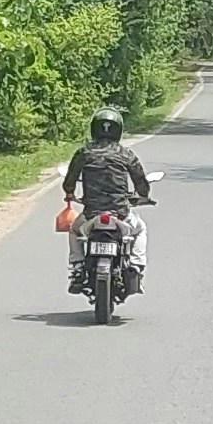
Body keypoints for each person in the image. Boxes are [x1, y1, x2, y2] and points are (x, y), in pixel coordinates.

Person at [60, 104, 154, 294]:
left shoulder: (84, 152)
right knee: (140, 229)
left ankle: (78, 268)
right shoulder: (126, 154)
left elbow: (70, 180)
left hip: (91, 213)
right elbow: (140, 181)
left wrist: (70, 193)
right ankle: (136, 265)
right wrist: (143, 196)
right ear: (118, 129)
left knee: (74, 230)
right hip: (120, 213)